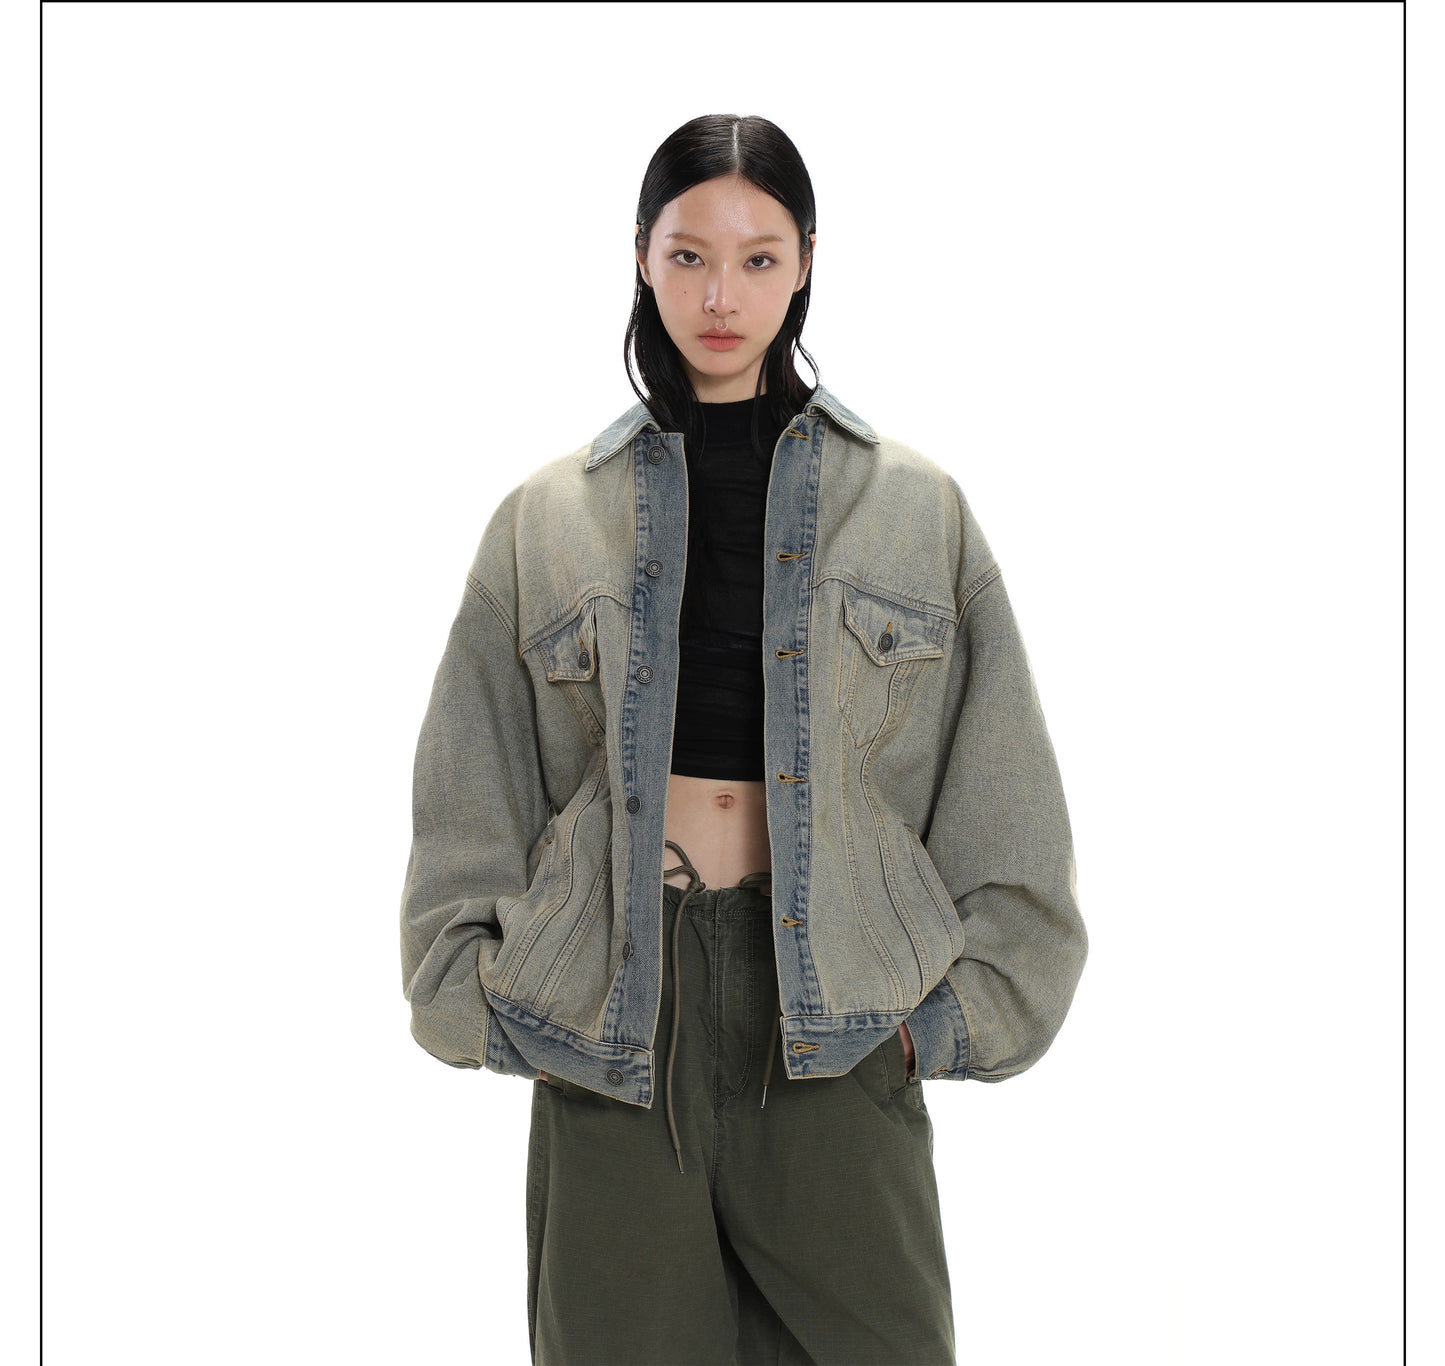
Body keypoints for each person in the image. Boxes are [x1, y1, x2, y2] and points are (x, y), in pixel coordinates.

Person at [399, 114, 1088, 1366]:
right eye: (689, 256)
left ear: (806, 261)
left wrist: (930, 1031)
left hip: (832, 1026)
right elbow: (470, 797)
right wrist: (500, 1013)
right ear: (641, 256)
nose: (721, 296)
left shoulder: (916, 510)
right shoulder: (541, 522)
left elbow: (1005, 803)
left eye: (758, 258)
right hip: (616, 1028)